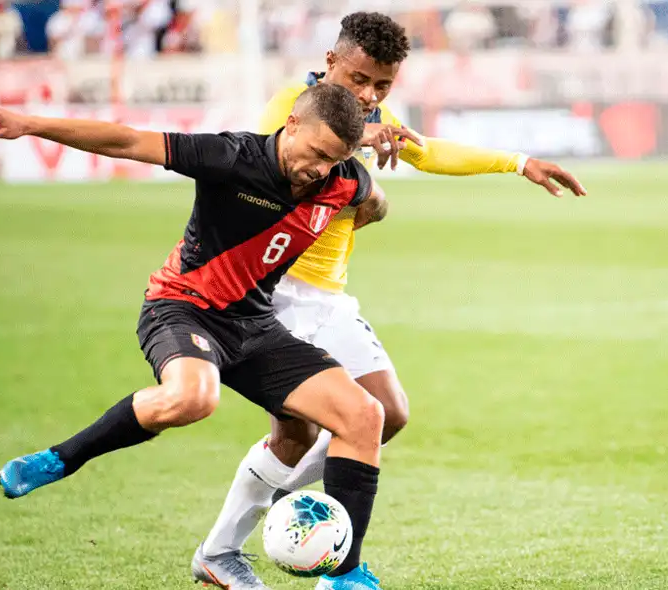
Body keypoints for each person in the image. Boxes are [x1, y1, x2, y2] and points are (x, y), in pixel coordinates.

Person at [194, 11, 586, 590]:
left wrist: (518, 163)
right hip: (272, 298)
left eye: (382, 87)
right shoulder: (292, 108)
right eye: (358, 79)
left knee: (387, 415)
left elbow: (428, 152)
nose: (369, 95)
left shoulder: (374, 117)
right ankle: (247, 553)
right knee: (300, 433)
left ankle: (303, 530)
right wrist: (359, 145)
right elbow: (274, 167)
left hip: (329, 299)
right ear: (331, 62)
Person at [0, 82, 390, 590]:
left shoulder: (344, 179)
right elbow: (126, 141)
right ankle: (60, 459)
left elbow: (373, 201)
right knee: (193, 397)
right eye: (317, 153)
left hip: (255, 325)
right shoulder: (231, 157)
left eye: (335, 158)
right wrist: (31, 124)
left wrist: (352, 203)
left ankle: (343, 576)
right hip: (182, 309)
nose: (321, 168)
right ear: (291, 125)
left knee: (366, 416)